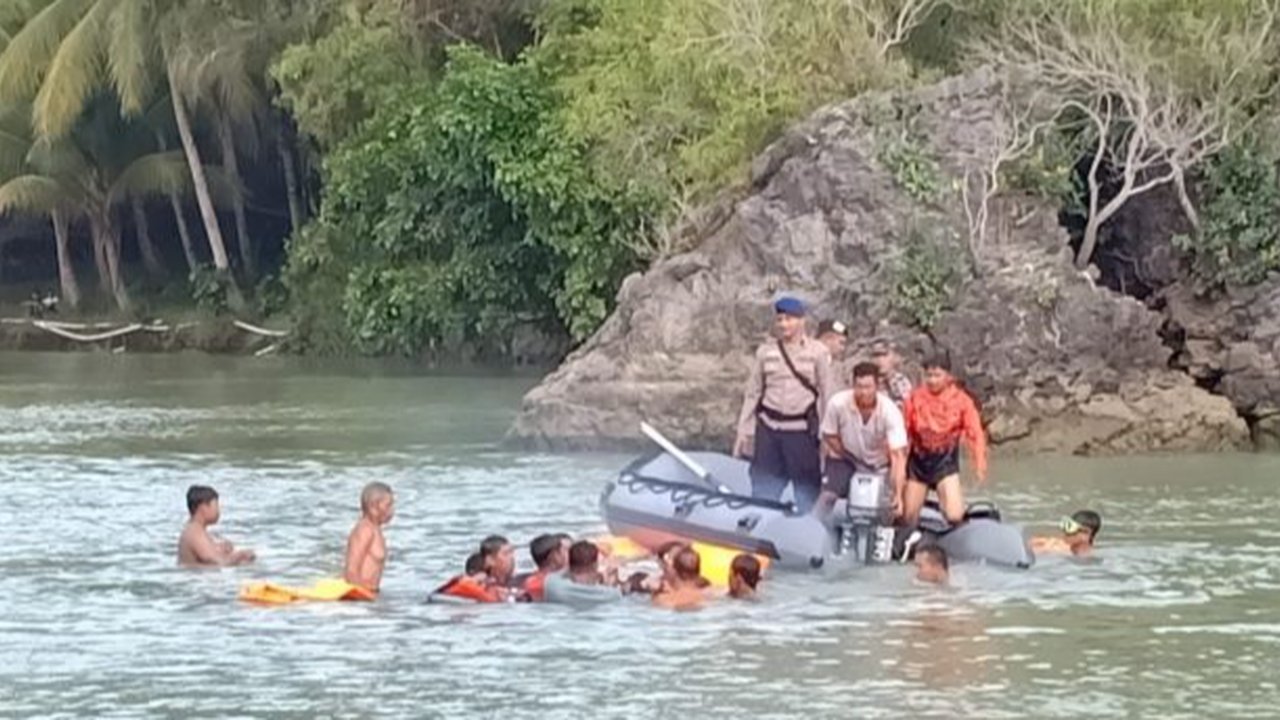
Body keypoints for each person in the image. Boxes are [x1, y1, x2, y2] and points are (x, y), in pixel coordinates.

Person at [734, 296, 834, 513]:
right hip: (769, 430)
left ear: (801, 321)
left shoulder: (818, 353)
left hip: (800, 432)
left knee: (806, 489)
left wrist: (827, 436)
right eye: (780, 320)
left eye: (789, 319)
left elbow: (827, 394)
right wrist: (744, 430)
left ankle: (803, 535)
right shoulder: (765, 352)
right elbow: (753, 393)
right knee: (763, 488)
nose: (783, 325)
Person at [902, 353, 987, 526]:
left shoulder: (962, 401)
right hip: (918, 463)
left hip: (945, 463)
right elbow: (902, 433)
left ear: (948, 376)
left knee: (955, 516)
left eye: (937, 376)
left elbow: (975, 434)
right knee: (907, 517)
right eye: (929, 376)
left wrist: (979, 465)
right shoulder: (914, 398)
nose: (932, 380)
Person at [818, 362, 909, 517]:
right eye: (859, 387)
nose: (863, 392)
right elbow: (828, 434)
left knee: (889, 506)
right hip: (846, 458)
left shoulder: (889, 411)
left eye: (868, 387)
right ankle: (813, 531)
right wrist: (846, 454)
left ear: (877, 387)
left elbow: (898, 455)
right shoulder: (838, 403)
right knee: (827, 497)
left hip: (879, 464)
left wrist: (898, 494)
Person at [177, 485, 255, 567]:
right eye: (215, 506)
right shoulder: (195, 533)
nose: (218, 511)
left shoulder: (193, 529)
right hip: (196, 579)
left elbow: (207, 556)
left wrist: (219, 549)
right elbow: (216, 562)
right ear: (203, 507)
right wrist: (240, 556)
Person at [344, 482, 394, 593]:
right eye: (388, 505)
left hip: (372, 593)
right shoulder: (365, 530)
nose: (392, 510)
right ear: (373, 506)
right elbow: (351, 571)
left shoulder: (375, 529)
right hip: (361, 598)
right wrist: (363, 600)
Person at [544, 540, 624, 607]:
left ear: (569, 564)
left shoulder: (552, 587)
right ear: (595, 565)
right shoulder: (613, 595)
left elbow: (555, 575)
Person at [520, 533, 572, 601]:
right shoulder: (551, 583)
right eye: (562, 551)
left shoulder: (529, 581)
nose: (566, 555)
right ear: (553, 556)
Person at [1031, 510, 1102, 557]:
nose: (1066, 534)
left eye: (1073, 533)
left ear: (1087, 534)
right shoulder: (1058, 543)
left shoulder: (1084, 553)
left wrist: (1047, 549)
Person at [871, 339, 913, 409]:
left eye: (884, 355)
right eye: (876, 356)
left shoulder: (901, 382)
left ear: (894, 357)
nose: (880, 360)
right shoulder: (867, 381)